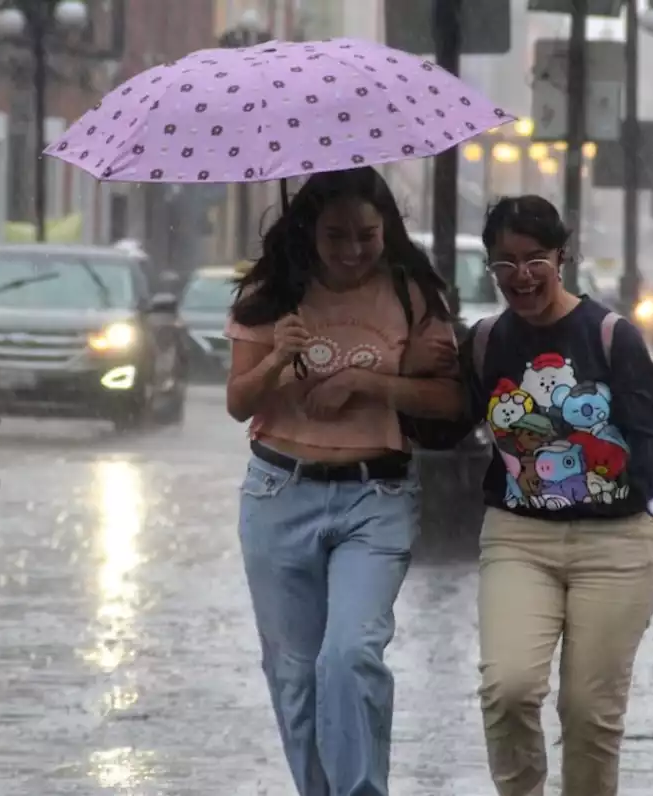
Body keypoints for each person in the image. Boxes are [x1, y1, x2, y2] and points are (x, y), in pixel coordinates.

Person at [224, 167, 462, 796]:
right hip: (279, 495)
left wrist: (369, 382)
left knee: (350, 655)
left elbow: (447, 401)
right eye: (336, 237)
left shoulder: (412, 294)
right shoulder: (272, 295)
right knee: (295, 674)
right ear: (308, 231)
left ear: (388, 230)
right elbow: (239, 403)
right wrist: (277, 355)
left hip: (375, 497)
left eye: (367, 235)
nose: (353, 251)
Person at [463, 195, 653, 796]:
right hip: (518, 537)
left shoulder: (610, 335)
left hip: (616, 544)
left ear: (561, 257)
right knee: (508, 688)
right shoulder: (486, 341)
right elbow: (445, 424)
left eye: (535, 259)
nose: (521, 276)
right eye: (505, 263)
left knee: (589, 713)